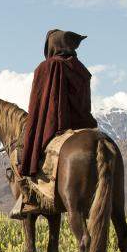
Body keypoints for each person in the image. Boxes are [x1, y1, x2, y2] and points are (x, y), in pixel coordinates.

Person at [12, 29, 97, 218]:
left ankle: (30, 198)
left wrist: (36, 126)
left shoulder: (47, 67)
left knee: (25, 149)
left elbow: (39, 103)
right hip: (84, 124)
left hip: (57, 123)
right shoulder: (81, 69)